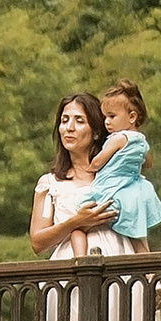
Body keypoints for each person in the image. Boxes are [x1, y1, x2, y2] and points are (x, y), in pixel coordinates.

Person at [30, 93, 130, 262]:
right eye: (64, 120)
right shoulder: (50, 184)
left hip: (120, 265)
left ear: (97, 132)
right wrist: (75, 222)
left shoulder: (117, 176)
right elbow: (37, 243)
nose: (69, 127)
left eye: (79, 121)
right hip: (70, 274)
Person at [85, 82, 161, 249]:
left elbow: (99, 160)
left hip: (114, 187)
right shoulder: (141, 140)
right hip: (136, 187)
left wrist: (91, 167)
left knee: (84, 214)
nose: (107, 122)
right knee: (138, 234)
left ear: (132, 117)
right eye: (105, 117)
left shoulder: (118, 138)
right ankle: (148, 268)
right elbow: (147, 163)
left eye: (112, 117)